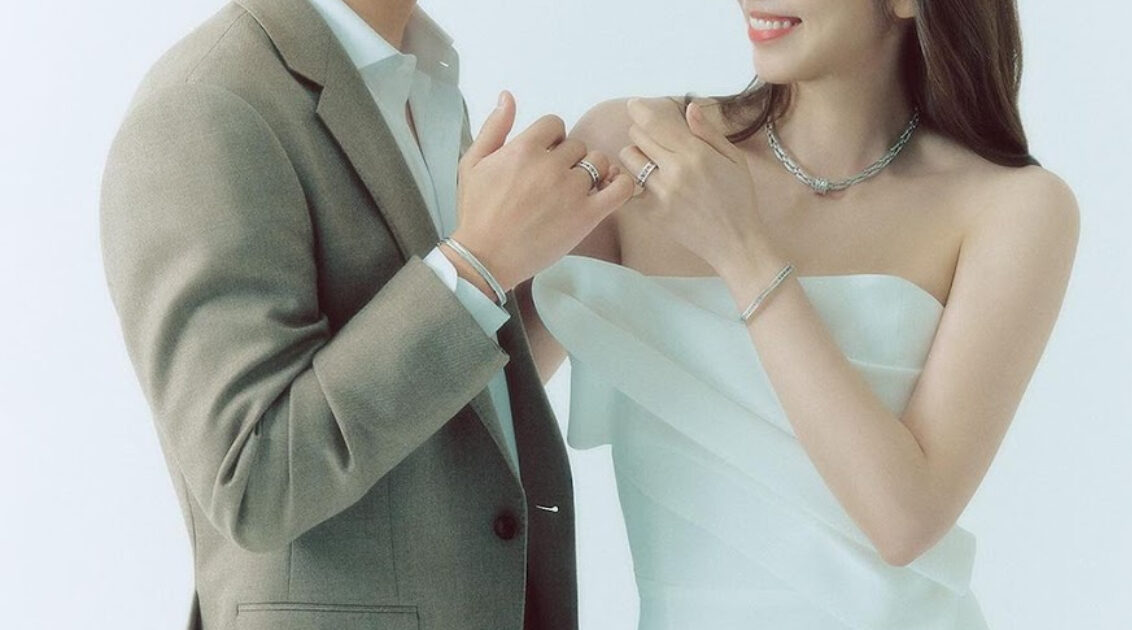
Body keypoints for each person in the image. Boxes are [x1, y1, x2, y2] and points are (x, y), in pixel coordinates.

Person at [526, 0, 1080, 628]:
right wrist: (475, 254)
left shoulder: (1013, 208)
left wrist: (740, 248)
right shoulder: (638, 152)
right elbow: (480, 423)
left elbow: (904, 523)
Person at [98, 0, 633, 628]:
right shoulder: (204, 105)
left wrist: (558, 263)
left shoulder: (421, 81)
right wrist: (476, 266)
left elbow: (434, 405)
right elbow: (252, 479)